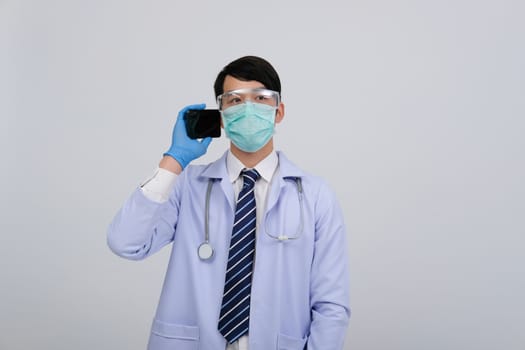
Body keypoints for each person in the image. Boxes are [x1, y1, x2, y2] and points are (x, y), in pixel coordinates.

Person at [107, 55, 350, 350]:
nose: (248, 109)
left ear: (279, 112)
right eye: (234, 101)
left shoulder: (315, 195)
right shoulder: (188, 185)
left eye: (260, 98)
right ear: (221, 115)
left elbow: (331, 306)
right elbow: (126, 242)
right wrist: (173, 160)